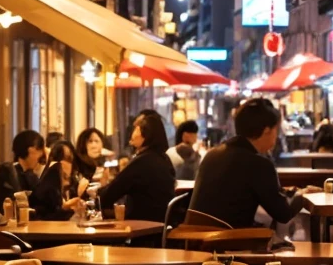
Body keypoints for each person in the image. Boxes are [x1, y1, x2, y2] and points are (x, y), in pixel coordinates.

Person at [189, 97, 305, 228]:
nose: (277, 136)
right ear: (267, 130)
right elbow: (283, 214)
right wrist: (302, 196)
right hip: (226, 242)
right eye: (276, 130)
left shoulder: (212, 155)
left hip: (194, 239)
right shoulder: (259, 164)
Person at [99, 112, 175, 222]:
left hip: (142, 227)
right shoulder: (164, 159)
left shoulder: (141, 162)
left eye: (136, 129)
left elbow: (108, 196)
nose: (132, 133)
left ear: (145, 135)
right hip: (161, 225)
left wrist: (94, 193)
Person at [30, 140, 88, 220]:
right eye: (60, 158)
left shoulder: (74, 184)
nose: (63, 163)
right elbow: (45, 217)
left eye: (69, 159)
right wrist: (65, 208)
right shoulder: (47, 188)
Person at [0, 130, 45, 212]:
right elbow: (17, 202)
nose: (42, 155)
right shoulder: (7, 170)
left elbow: (44, 201)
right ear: (31, 150)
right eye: (40, 150)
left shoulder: (30, 175)